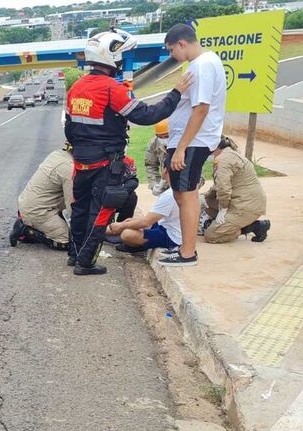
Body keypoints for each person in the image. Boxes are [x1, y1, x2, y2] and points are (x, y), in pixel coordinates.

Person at [65, 29, 193, 276]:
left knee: (79, 209)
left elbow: (70, 129)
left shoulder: (76, 88)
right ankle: (86, 262)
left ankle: (74, 255)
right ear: (111, 57)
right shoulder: (111, 89)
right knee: (101, 211)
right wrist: (176, 92)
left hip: (80, 162)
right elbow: (148, 115)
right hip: (105, 162)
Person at [159, 23, 227, 267]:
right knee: (180, 194)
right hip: (187, 141)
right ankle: (184, 247)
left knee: (187, 196)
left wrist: (181, 148)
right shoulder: (200, 64)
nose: (171, 56)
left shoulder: (203, 65)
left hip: (193, 143)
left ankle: (188, 253)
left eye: (171, 50)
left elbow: (201, 109)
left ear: (182, 43)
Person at [203, 136, 271, 244]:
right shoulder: (227, 155)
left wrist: (223, 208)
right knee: (205, 202)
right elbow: (218, 187)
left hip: (245, 206)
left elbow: (223, 188)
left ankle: (254, 227)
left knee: (211, 236)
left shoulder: (223, 160)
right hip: (241, 201)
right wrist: (203, 196)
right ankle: (225, 224)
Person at [10, 147, 74, 250]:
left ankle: (31, 225)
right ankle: (26, 230)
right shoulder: (69, 168)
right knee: (69, 242)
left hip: (32, 204)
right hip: (38, 211)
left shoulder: (58, 154)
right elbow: (72, 207)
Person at [107, 188, 182, 253]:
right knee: (130, 221)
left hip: (172, 236)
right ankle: (100, 231)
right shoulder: (176, 191)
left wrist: (121, 226)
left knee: (127, 234)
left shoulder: (169, 195)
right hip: (165, 225)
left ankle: (138, 246)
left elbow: (146, 222)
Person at [145, 119, 170, 196]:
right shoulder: (154, 143)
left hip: (187, 183)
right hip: (165, 183)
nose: (163, 139)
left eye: (166, 136)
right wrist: (155, 185)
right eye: (160, 137)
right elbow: (150, 165)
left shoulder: (185, 141)